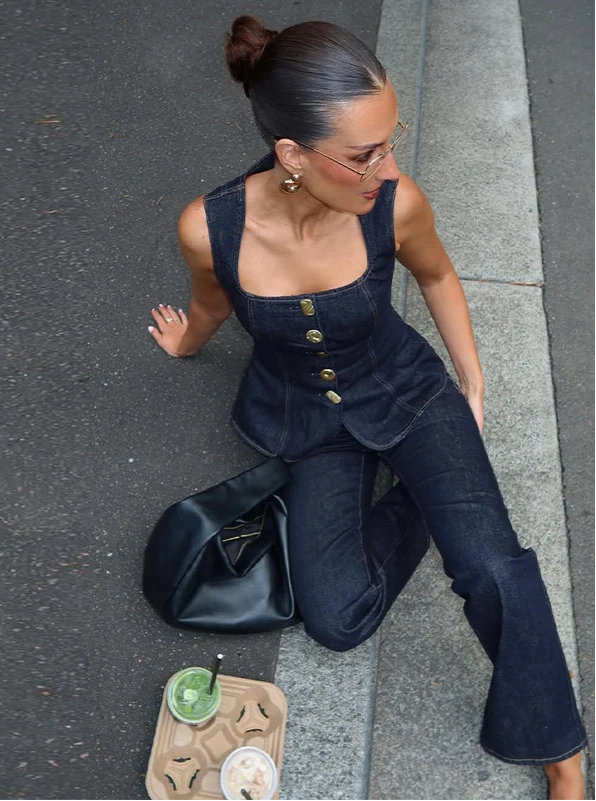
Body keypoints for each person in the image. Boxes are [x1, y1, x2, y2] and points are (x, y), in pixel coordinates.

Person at [147, 16, 587, 800]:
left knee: (491, 564)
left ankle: (561, 753)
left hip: (406, 391)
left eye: (391, 140)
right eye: (364, 154)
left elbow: (438, 276)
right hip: (308, 422)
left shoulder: (395, 202)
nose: (386, 167)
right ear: (292, 155)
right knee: (337, 619)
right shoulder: (209, 227)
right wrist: (187, 341)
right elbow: (211, 301)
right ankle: (421, 494)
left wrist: (473, 381)